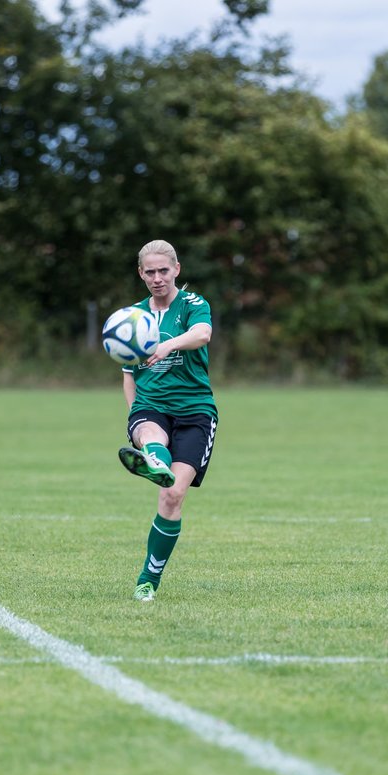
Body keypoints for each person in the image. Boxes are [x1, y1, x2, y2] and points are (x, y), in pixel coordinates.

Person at [117, 239, 218, 602]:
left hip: (195, 411)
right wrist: (133, 412)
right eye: (150, 272)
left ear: (176, 269)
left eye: (163, 270)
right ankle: (154, 456)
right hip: (151, 404)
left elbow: (202, 334)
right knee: (148, 429)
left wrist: (167, 345)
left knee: (172, 495)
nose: (157, 278)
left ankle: (149, 578)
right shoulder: (134, 318)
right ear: (141, 274)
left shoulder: (193, 304)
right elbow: (128, 373)